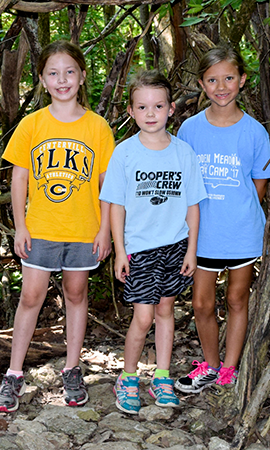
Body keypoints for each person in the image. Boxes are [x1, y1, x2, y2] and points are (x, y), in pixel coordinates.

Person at [0, 40, 115, 412]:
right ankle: (13, 374)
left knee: (76, 294)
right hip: (42, 226)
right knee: (31, 295)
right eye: (53, 73)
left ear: (81, 76)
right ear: (43, 80)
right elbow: (18, 179)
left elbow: (108, 186)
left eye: (69, 72)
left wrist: (105, 230)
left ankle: (72, 368)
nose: (62, 80)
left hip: (83, 228)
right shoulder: (33, 125)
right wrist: (20, 227)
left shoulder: (97, 128)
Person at [101, 71, 205, 414]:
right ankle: (128, 377)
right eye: (143, 107)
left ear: (171, 109)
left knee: (165, 312)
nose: (151, 113)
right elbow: (116, 205)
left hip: (175, 246)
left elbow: (192, 205)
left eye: (158, 106)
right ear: (131, 111)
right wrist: (119, 251)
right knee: (143, 317)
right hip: (140, 248)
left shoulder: (183, 153)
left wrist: (191, 249)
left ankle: (161, 376)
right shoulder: (125, 153)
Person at [175, 46, 270, 393]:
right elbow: (184, 180)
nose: (222, 86)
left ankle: (229, 370)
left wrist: (239, 212)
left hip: (239, 232)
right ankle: (210, 364)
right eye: (213, 80)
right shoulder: (189, 130)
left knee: (237, 299)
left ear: (242, 80)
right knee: (201, 303)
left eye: (229, 78)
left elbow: (259, 183)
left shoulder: (254, 131)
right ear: (202, 84)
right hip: (202, 233)